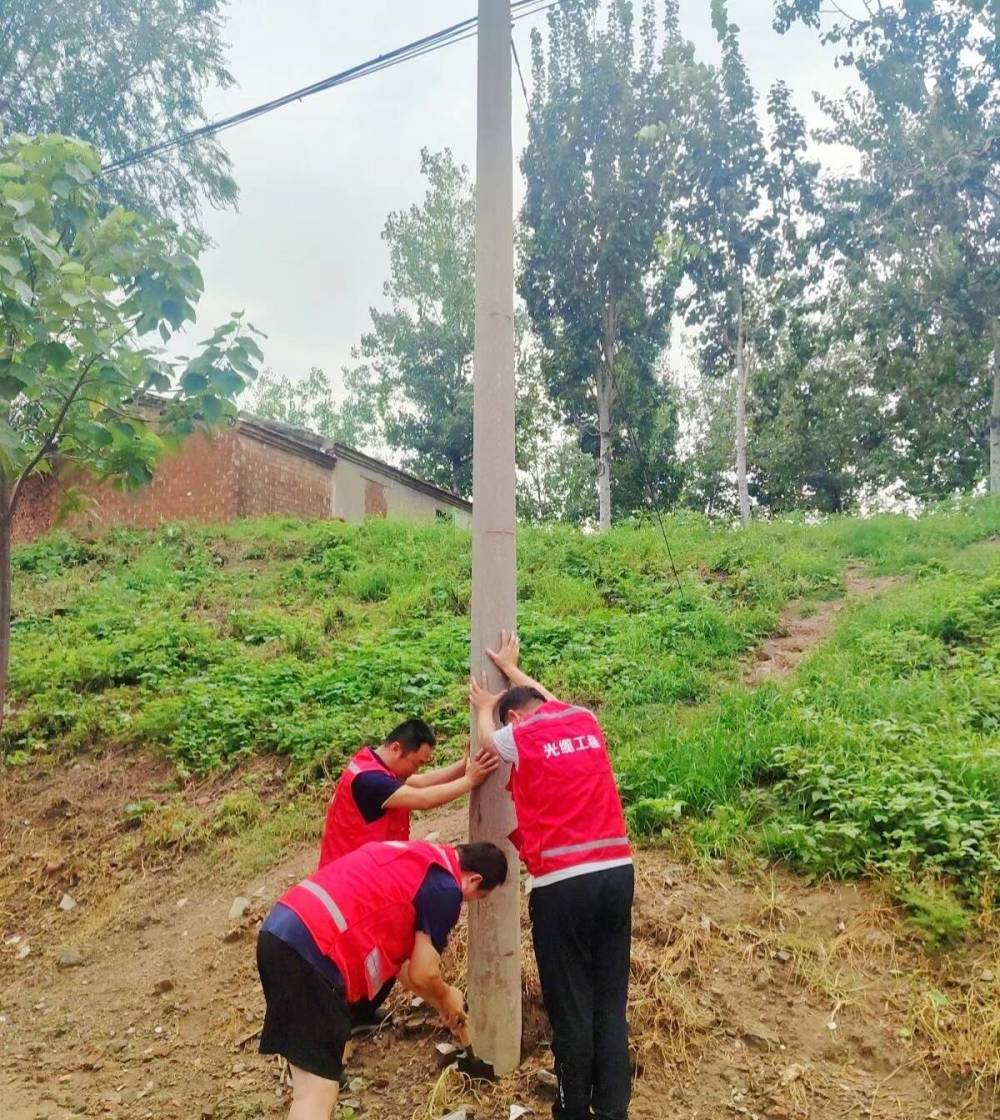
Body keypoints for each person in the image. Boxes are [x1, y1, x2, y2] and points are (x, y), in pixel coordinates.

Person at [470, 631, 633, 1120]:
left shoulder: (520, 734)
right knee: (609, 999)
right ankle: (613, 1110)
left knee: (570, 1007)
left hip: (562, 885)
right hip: (616, 873)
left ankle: (572, 1110)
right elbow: (545, 698)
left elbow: (487, 741)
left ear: (515, 718)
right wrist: (514, 670)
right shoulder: (584, 718)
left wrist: (483, 705)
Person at [257, 838, 508, 1120]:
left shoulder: (418, 858)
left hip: (280, 930)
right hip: (315, 949)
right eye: (480, 897)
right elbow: (424, 972)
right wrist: (447, 994)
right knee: (317, 1091)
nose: (473, 902)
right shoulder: (446, 889)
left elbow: (406, 970)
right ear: (474, 881)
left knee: (307, 1084)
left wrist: (442, 1003)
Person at [318, 718, 498, 868]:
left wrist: (463, 766)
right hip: (352, 874)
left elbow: (421, 783)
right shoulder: (371, 781)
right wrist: (470, 780)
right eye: (416, 763)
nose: (415, 770)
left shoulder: (372, 763)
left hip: (362, 866)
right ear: (396, 749)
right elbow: (423, 799)